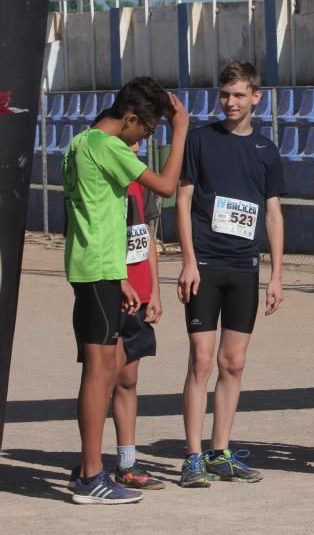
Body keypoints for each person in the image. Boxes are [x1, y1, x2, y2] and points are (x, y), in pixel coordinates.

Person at [64, 78, 189, 504]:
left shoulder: (79, 141)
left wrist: (120, 275)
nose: (145, 139)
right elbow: (167, 186)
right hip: (98, 269)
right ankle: (90, 476)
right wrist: (181, 131)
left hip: (95, 268)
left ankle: (91, 468)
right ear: (131, 118)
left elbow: (92, 213)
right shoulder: (110, 146)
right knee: (100, 372)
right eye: (147, 131)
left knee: (108, 367)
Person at [176, 61, 286, 487]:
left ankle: (221, 451)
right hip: (204, 264)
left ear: (256, 97)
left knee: (233, 363)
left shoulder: (266, 150)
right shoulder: (200, 141)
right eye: (225, 94)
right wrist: (187, 260)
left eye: (240, 95)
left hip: (245, 269)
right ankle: (192, 456)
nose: (231, 102)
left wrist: (276, 274)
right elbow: (183, 202)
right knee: (201, 361)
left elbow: (273, 213)